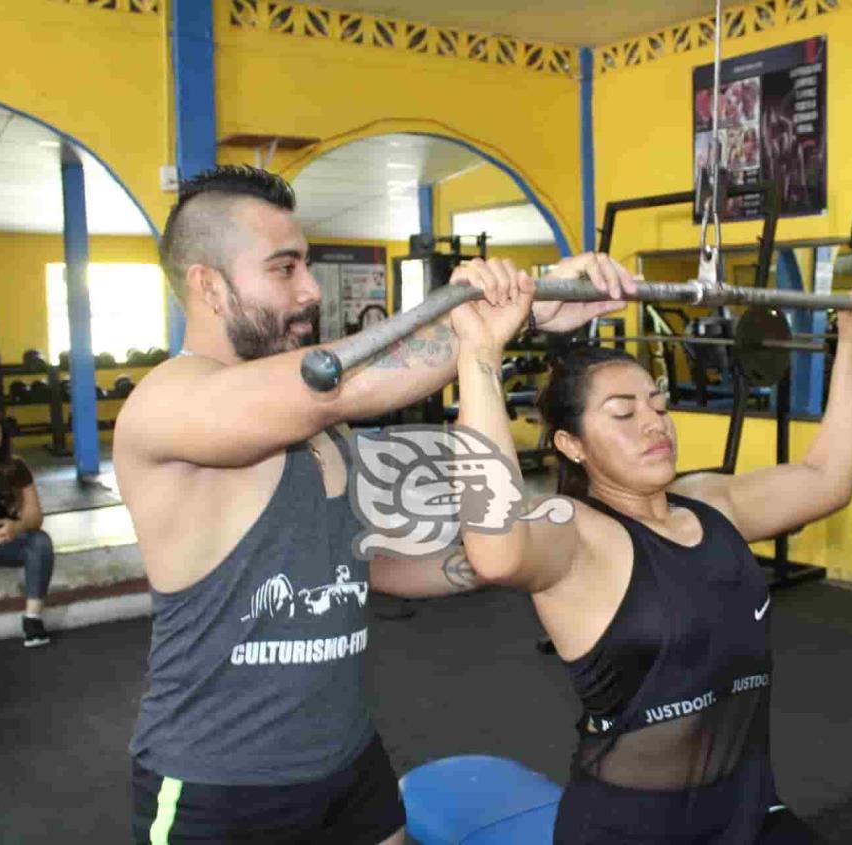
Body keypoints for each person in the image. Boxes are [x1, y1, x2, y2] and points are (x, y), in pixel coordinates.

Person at [115, 164, 634, 845]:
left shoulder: (321, 429)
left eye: (306, 264)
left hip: (348, 757)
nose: (308, 290)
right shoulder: (170, 401)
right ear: (207, 285)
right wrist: (521, 310)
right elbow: (331, 385)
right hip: (220, 783)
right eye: (284, 269)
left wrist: (498, 557)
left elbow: (359, 561)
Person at [447, 258, 852, 842]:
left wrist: (851, 346)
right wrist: (478, 358)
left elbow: (826, 478)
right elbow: (496, 552)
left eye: (657, 405)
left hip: (749, 811)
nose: (654, 424)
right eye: (623, 414)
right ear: (571, 445)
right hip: (632, 829)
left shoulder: (711, 504)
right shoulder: (576, 533)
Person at [0, 414, 54, 647]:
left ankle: (32, 621)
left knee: (40, 541)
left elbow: (35, 516)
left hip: (6, 542)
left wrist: (16, 527)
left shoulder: (15, 466)